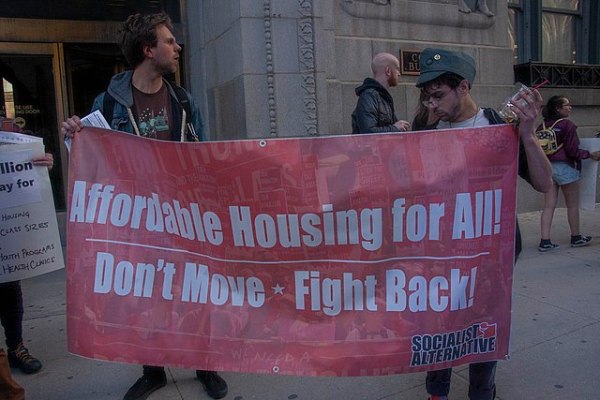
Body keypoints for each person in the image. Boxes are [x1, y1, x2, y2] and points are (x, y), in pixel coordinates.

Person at [61, 12, 227, 400]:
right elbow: (94, 163)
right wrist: (74, 135)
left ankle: (205, 364)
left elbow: (203, 154)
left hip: (185, 218)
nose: (177, 47)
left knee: (196, 292)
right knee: (145, 296)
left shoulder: (184, 100)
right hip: (137, 221)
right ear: (148, 50)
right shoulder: (109, 102)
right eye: (169, 41)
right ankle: (152, 370)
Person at [414, 48, 552, 400]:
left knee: (483, 325)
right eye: (426, 97)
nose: (432, 104)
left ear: (464, 87)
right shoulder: (426, 126)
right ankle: (437, 391)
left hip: (490, 252)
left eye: (438, 95)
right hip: (439, 250)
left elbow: (543, 183)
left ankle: (482, 392)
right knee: (437, 321)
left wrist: (527, 134)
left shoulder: (498, 125)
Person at [537, 95, 600, 251]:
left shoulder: (542, 126)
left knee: (548, 206)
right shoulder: (568, 125)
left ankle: (545, 241)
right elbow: (573, 151)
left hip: (547, 168)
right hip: (565, 168)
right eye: (567, 105)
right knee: (572, 205)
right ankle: (576, 237)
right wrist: (589, 154)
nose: (570, 107)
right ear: (558, 108)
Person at [351, 52, 411, 134]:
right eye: (397, 69)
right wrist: (395, 128)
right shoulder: (369, 96)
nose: (399, 74)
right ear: (388, 71)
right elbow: (368, 133)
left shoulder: (381, 96)